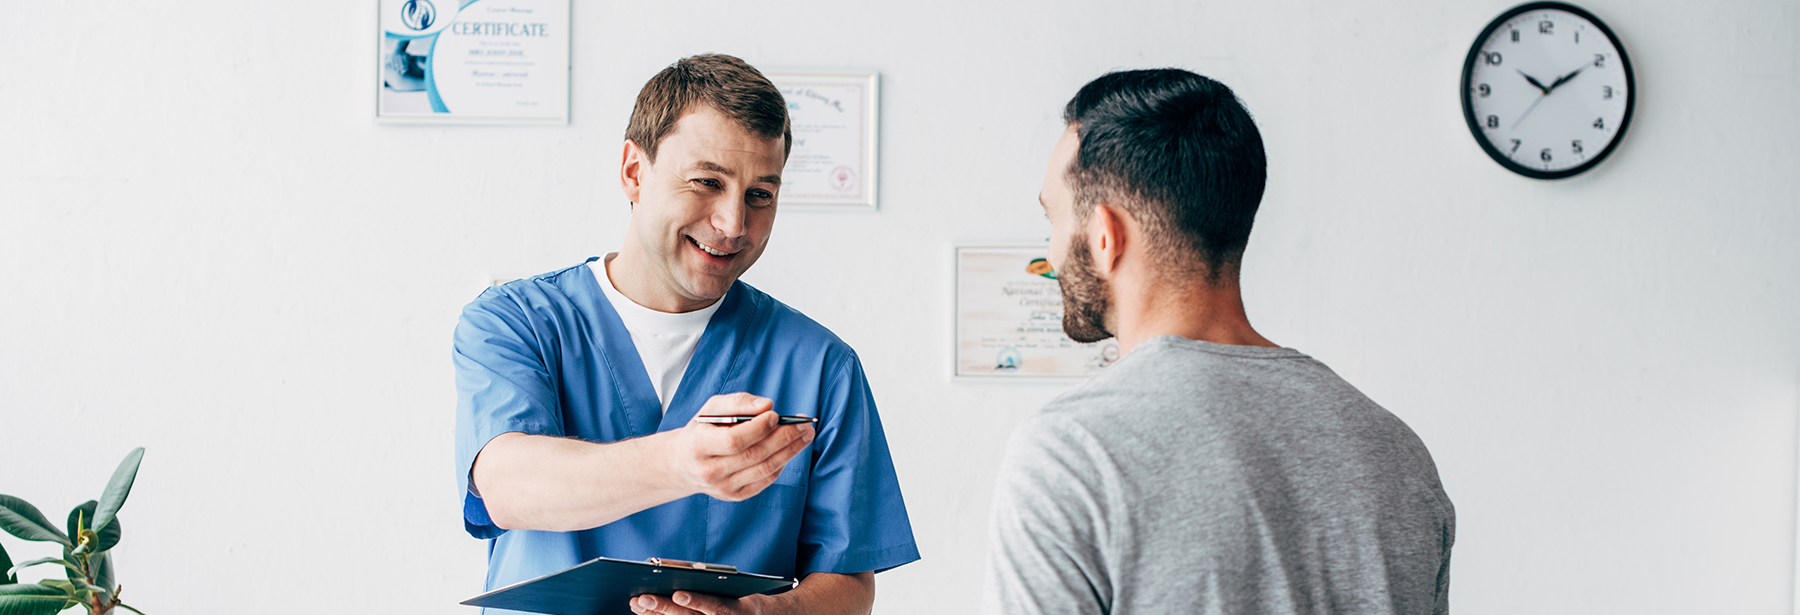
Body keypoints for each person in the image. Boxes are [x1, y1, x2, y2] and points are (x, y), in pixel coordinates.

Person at [454, 54, 919, 615]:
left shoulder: (820, 365)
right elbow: (509, 488)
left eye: (760, 195)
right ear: (633, 171)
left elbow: (848, 586)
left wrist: (754, 614)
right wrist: (682, 462)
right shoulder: (516, 323)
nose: (733, 224)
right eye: (706, 182)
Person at [980, 69, 1454, 615]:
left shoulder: (1071, 451)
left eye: (1053, 218)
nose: (1052, 249)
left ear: (1105, 236)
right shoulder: (1393, 448)